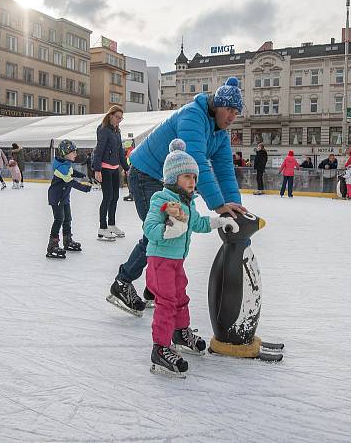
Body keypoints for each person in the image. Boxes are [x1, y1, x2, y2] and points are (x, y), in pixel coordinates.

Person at [109, 76, 246, 316]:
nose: (233, 116)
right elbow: (195, 164)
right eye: (230, 110)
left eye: (237, 112)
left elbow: (224, 170)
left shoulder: (220, 133)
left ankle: (155, 289)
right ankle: (123, 282)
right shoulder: (193, 115)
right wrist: (218, 205)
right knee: (159, 233)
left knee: (178, 227)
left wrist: (235, 209)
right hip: (147, 173)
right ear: (217, 104)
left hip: (174, 182)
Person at [143, 139, 238, 377]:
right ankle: (161, 348)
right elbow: (149, 228)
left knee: (180, 297)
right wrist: (167, 231)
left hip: (176, 261)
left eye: (194, 178)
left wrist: (220, 221)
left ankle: (180, 332)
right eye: (187, 177)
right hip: (160, 261)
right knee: (166, 302)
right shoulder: (160, 199)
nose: (193, 182)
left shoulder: (188, 203)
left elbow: (198, 223)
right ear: (173, 178)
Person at [46, 139, 92, 258]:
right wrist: (86, 188)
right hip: (56, 198)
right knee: (59, 219)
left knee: (67, 218)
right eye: (73, 152)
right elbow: (71, 182)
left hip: (64, 197)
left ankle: (67, 240)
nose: (75, 154)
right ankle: (52, 245)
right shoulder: (60, 168)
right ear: (65, 153)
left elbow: (73, 172)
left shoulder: (66, 164)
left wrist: (84, 176)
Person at [92, 105, 129, 240]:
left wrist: (126, 168)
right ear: (110, 115)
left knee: (115, 197)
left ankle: (111, 224)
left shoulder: (117, 131)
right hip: (105, 169)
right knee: (107, 198)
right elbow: (99, 150)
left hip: (115, 169)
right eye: (117, 117)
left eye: (121, 118)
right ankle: (102, 228)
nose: (119, 120)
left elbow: (120, 151)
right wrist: (97, 170)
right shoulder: (103, 130)